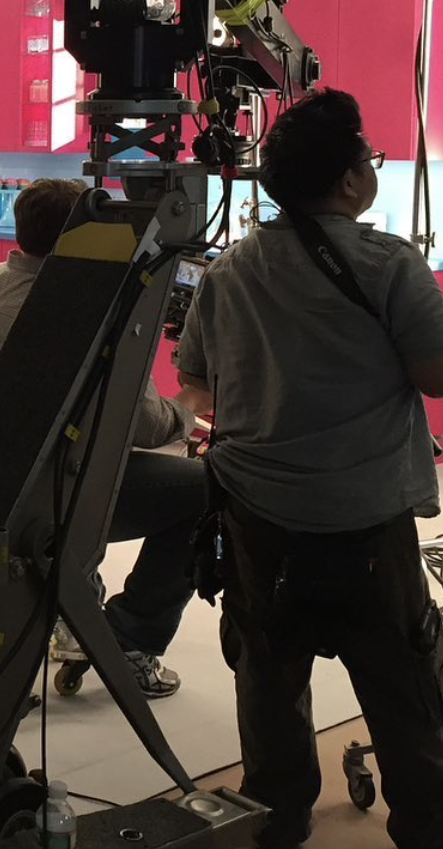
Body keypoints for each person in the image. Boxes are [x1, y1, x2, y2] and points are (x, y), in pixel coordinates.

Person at [178, 88, 443, 849]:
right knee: (401, 684)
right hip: (365, 518)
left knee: (268, 672)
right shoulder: (389, 264)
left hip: (257, 516)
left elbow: (197, 384)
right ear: (352, 179)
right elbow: (436, 376)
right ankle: (427, 822)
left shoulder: (230, 270)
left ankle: (277, 815)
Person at [0, 178, 211, 697]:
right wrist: (192, 403)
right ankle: (131, 639)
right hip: (31, 494)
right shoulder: (76, 309)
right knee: (207, 489)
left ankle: (73, 599)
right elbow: (148, 426)